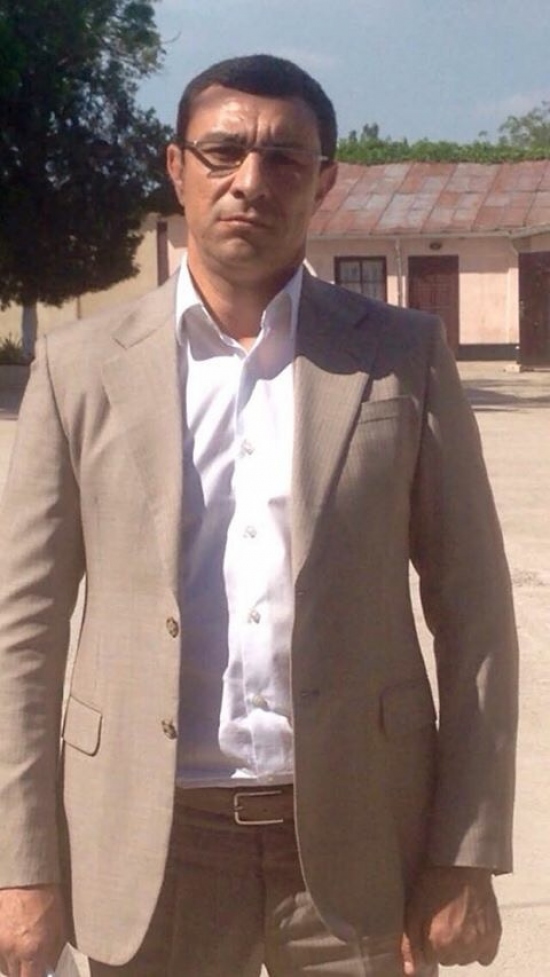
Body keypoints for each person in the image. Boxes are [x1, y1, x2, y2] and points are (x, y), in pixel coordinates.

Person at [0, 54, 518, 977]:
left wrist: (465, 850)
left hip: (361, 841)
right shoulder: (79, 370)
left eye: (284, 158)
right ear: (177, 168)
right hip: (147, 844)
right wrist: (22, 864)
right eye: (223, 151)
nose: (250, 180)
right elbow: (24, 630)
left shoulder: (401, 356)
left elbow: (475, 615)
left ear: (324, 181)